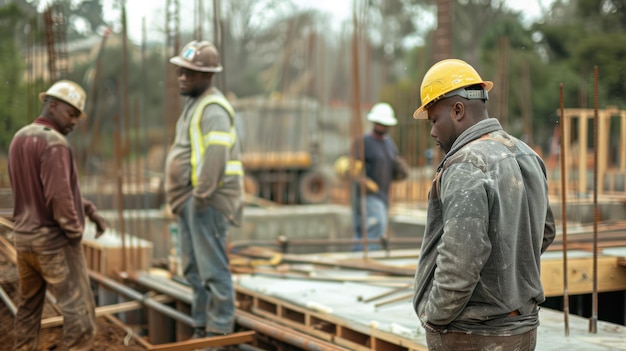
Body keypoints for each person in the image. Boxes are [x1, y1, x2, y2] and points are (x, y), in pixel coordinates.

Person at [411, 59, 556, 350]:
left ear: (458, 110)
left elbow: (461, 260)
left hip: (472, 335)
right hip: (522, 329)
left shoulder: (465, 164)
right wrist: (506, 271)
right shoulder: (527, 155)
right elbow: (545, 231)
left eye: (434, 120)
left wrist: (435, 317)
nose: (433, 132)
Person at [8, 80, 107, 351]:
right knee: (81, 316)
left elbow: (39, 189)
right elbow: (58, 198)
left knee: (28, 312)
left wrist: (87, 208)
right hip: (53, 243)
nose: (74, 122)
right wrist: (75, 232)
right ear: (52, 106)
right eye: (71, 113)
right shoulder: (55, 142)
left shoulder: (20, 138)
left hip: (25, 242)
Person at [164, 40, 244, 338]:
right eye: (180, 72)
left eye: (190, 73)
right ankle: (201, 326)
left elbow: (215, 157)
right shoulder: (194, 105)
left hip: (207, 201)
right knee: (193, 269)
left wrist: (201, 196)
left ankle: (219, 331)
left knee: (212, 269)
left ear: (208, 76)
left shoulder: (213, 109)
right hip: (192, 200)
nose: (182, 78)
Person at [349, 102, 408, 251]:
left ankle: (358, 263)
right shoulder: (363, 142)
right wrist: (362, 180)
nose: (381, 126)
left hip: (383, 194)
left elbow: (394, 166)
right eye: (379, 123)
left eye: (384, 123)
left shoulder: (389, 144)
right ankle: (366, 266)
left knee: (369, 232)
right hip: (367, 195)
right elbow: (351, 167)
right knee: (374, 230)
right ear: (374, 122)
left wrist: (400, 170)